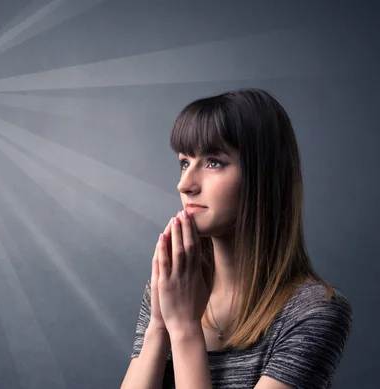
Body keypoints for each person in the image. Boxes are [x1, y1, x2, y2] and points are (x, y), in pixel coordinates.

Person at [120, 88, 353, 389]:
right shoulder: (174, 286)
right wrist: (158, 326)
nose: (184, 184)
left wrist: (185, 330)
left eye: (214, 162)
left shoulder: (314, 312)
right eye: (184, 162)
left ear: (262, 175)